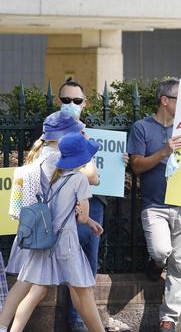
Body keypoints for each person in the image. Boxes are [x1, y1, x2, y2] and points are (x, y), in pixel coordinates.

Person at [1, 111, 100, 332]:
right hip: (52, 234)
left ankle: (4, 326)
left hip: (38, 228)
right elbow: (92, 176)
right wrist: (84, 149)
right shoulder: (58, 159)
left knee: (34, 286)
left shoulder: (40, 154)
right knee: (74, 287)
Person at [57, 80, 131, 332]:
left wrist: (120, 161)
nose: (71, 105)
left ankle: (84, 320)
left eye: (76, 101)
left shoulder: (87, 132)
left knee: (88, 261)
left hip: (93, 203)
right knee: (72, 264)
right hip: (67, 206)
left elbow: (99, 172)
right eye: (66, 100)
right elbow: (89, 174)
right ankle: (78, 321)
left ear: (85, 103)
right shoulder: (53, 131)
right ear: (59, 102)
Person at [127, 77, 181, 332]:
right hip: (154, 205)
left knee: (180, 263)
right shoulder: (142, 128)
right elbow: (136, 165)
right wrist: (165, 151)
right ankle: (155, 265)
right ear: (165, 101)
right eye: (180, 98)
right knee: (161, 252)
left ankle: (169, 319)